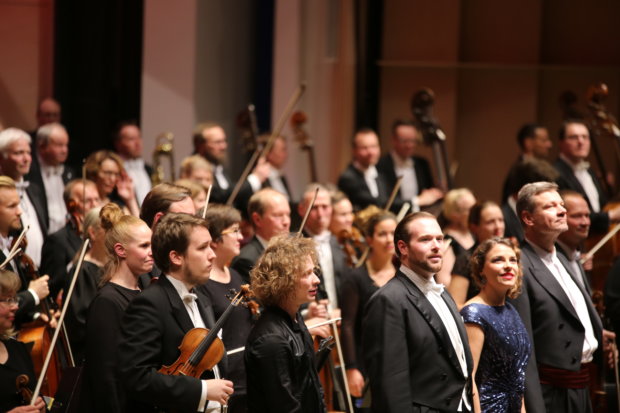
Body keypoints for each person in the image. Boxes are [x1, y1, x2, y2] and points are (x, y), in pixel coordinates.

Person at [510, 181, 613, 413]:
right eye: (550, 206)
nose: (562, 210)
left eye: (561, 204)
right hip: (552, 394)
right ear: (528, 218)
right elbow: (523, 350)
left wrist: (594, 332)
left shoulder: (566, 260)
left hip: (583, 384)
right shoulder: (520, 267)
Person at [119, 212, 233, 412]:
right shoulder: (150, 303)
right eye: (202, 248)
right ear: (176, 257)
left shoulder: (202, 298)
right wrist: (202, 389)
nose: (212, 255)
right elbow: (137, 378)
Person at [362, 212, 473, 413]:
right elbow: (390, 383)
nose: (436, 246)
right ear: (403, 248)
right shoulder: (388, 300)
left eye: (439, 238)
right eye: (425, 239)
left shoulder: (442, 292)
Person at [81, 203, 153, 412]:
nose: (151, 252)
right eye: (143, 246)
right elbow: (106, 376)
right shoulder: (107, 302)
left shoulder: (144, 290)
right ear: (120, 250)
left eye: (151, 245)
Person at [245, 234, 327, 413]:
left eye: (313, 271)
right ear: (284, 281)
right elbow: (285, 407)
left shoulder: (294, 318)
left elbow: (313, 385)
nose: (316, 280)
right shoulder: (271, 339)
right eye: (307, 274)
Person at [460, 238, 531, 413]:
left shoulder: (511, 310)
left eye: (512, 260)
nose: (508, 266)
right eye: (498, 260)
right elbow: (469, 379)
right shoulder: (473, 313)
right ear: (481, 270)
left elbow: (517, 376)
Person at [198, 204, 254, 413]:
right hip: (226, 381)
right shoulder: (203, 284)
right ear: (214, 240)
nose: (240, 236)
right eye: (234, 231)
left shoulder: (237, 276)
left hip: (249, 376)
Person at [340, 208, 396, 401]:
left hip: (401, 359)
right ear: (369, 239)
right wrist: (351, 368)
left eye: (393, 233)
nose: (389, 239)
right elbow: (347, 325)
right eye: (382, 234)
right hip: (369, 362)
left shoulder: (405, 274)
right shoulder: (355, 278)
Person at [554, 119, 620, 234]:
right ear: (561, 143)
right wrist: (611, 215)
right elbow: (568, 215)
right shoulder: (554, 173)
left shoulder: (589, 171)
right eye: (574, 137)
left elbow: (601, 207)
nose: (581, 141)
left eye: (585, 137)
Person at [0, 176, 49, 329]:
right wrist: (32, 294)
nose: (20, 212)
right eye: (11, 206)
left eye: (19, 204)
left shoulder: (10, 245)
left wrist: (35, 316)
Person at [40, 178, 101, 297]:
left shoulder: (103, 236)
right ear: (71, 205)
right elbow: (53, 287)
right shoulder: (57, 241)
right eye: (87, 201)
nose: (94, 206)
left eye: (97, 199)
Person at [0, 128, 48, 267]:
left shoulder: (35, 190)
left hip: (38, 270)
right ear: (2, 157)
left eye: (28, 152)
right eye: (19, 153)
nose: (26, 158)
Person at [0, 270, 47, 413]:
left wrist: (43, 405)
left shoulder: (18, 349)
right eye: (8, 300)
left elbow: (39, 397)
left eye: (14, 299)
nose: (15, 306)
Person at [192, 122, 269, 205]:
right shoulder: (195, 167)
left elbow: (229, 196)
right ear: (201, 145)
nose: (224, 146)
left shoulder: (217, 165)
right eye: (218, 142)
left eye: (224, 141)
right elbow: (218, 196)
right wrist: (255, 179)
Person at [297, 184, 347, 311]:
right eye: (314, 208)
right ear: (301, 210)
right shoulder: (294, 245)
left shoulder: (341, 243)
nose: (320, 214)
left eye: (325, 207)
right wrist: (307, 312)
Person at [64, 206, 104, 364]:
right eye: (110, 228)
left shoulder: (115, 266)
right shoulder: (82, 271)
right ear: (93, 233)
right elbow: (81, 325)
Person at [376, 119, 443, 211]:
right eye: (404, 141)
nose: (409, 145)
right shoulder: (380, 165)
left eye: (413, 140)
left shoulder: (422, 163)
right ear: (393, 140)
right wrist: (417, 201)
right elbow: (384, 200)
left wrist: (435, 192)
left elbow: (427, 192)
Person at [449, 201, 505, 309]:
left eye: (501, 220)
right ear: (474, 227)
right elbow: (455, 304)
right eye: (490, 222)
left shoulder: (511, 255)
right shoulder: (466, 259)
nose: (498, 226)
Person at [231, 188, 291, 283]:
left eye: (288, 215)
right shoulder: (246, 261)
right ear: (257, 219)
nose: (286, 222)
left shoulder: (294, 249)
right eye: (278, 215)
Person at [27, 123, 75, 234]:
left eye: (66, 145)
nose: (64, 150)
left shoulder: (68, 173)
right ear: (42, 146)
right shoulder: (29, 172)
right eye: (59, 145)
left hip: (64, 237)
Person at [501, 123, 552, 202]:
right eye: (544, 140)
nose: (549, 144)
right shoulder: (521, 171)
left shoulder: (537, 168)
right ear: (528, 143)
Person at [84, 150, 140, 217]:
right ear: (93, 174)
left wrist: (130, 199)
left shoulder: (117, 207)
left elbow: (139, 226)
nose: (113, 179)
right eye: (107, 173)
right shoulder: (85, 204)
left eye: (116, 174)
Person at [557, 190, 592, 293]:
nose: (585, 222)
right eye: (577, 216)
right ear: (559, 217)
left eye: (587, 215)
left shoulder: (576, 255)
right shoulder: (550, 258)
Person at [113, 121, 153, 206]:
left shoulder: (149, 169)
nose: (138, 143)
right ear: (118, 144)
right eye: (131, 139)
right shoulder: (113, 171)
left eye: (139, 137)